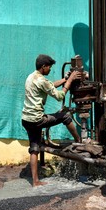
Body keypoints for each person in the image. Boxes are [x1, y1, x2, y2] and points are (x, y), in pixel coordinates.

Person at [22, 54, 81, 187]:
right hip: (37, 120)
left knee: (34, 148)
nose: (50, 70)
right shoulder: (42, 80)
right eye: (49, 67)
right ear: (43, 67)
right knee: (65, 116)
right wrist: (70, 81)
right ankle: (79, 141)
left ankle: (35, 181)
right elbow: (60, 96)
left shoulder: (32, 77)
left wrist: (64, 79)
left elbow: (50, 86)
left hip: (26, 119)